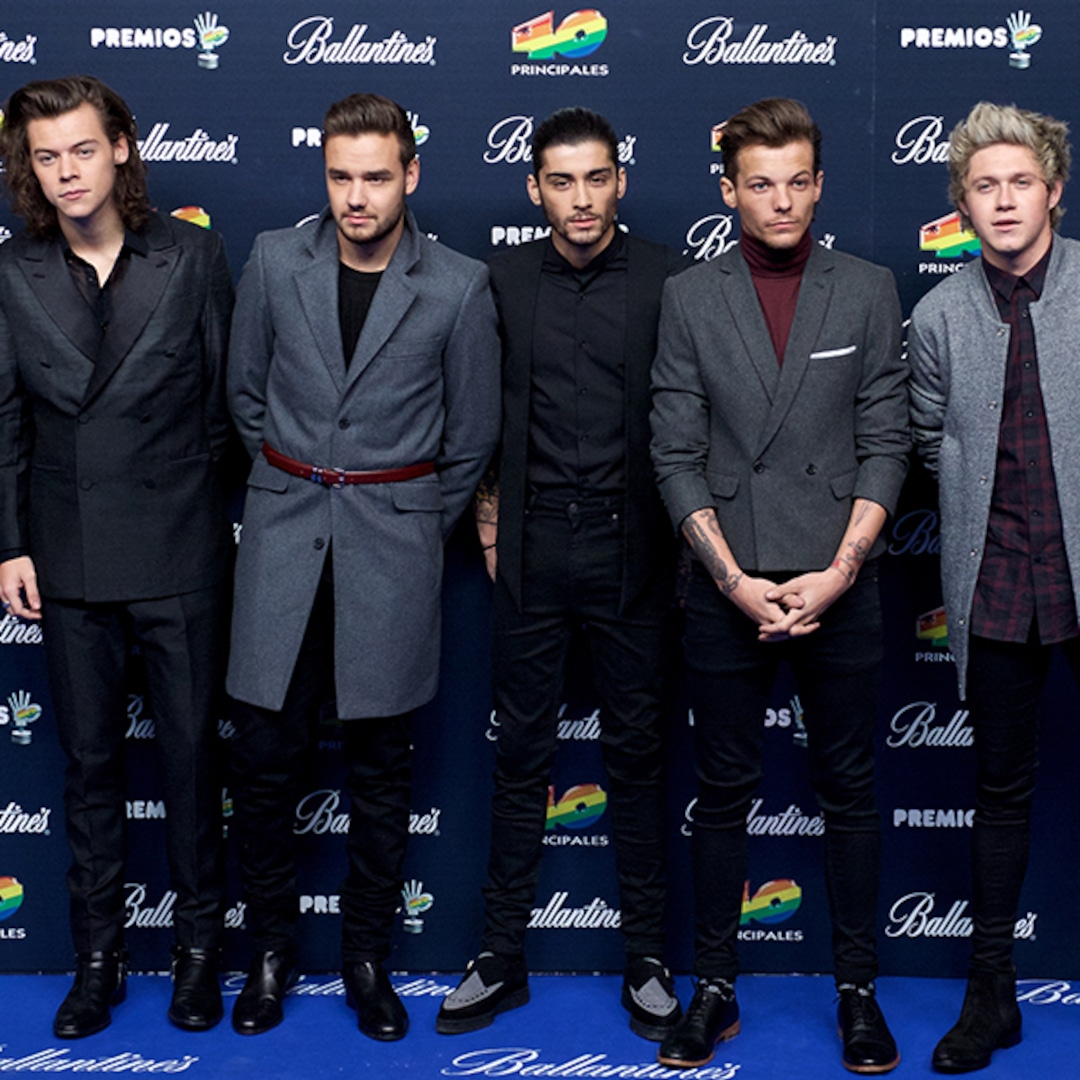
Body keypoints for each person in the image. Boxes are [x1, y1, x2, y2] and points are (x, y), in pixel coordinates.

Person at [225, 92, 500, 1041]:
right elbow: (244, 397)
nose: (356, 197)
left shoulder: (459, 286)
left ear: (410, 175)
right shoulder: (273, 260)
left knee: (382, 772)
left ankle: (367, 960)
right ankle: (268, 955)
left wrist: (406, 520)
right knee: (264, 763)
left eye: (376, 177)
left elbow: (471, 438)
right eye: (340, 176)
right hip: (282, 542)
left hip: (394, 549)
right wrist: (301, 484)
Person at [650, 97, 909, 1073]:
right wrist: (734, 581)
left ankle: (858, 991)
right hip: (729, 583)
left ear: (819, 184)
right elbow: (674, 453)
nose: (782, 201)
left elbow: (888, 442)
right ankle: (713, 988)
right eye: (761, 184)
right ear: (729, 192)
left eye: (798, 182)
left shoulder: (869, 289)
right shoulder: (690, 297)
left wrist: (839, 573)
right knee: (722, 792)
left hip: (841, 576)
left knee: (850, 790)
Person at [436, 107, 684, 1041]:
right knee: (520, 761)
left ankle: (648, 959)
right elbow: (476, 417)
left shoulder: (669, 277)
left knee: (640, 760)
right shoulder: (498, 282)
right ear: (534, 189)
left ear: (620, 180)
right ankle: (499, 957)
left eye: (596, 178)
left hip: (636, 554)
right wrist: (492, 532)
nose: (581, 199)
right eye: (561, 181)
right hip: (532, 550)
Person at [0, 75, 234, 1036]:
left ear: (122, 148)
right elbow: (5, 418)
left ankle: (198, 956)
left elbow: (225, 409)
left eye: (83, 150)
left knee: (191, 766)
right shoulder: (12, 270)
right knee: (90, 770)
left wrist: (195, 510)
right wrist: (11, 544)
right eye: (46, 157)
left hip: (180, 547)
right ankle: (96, 961)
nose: (67, 172)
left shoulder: (192, 254)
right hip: (69, 553)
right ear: (29, 169)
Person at [909, 101, 1079, 1074]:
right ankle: (991, 996)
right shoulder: (938, 316)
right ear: (963, 205)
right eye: (985, 186)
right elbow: (927, 441)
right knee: (1000, 793)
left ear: (1053, 192)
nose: (1005, 200)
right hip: (1000, 580)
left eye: (1021, 182)